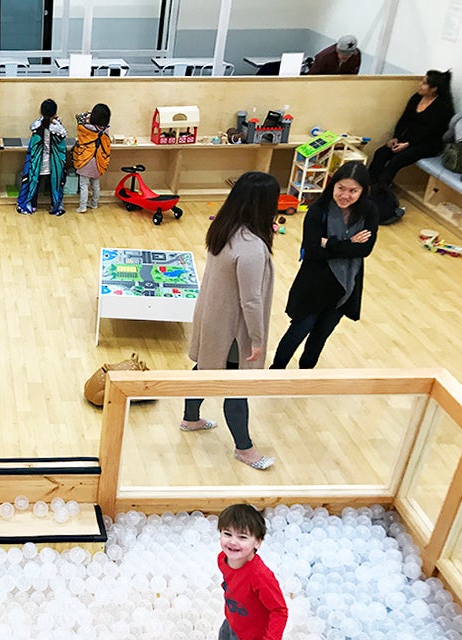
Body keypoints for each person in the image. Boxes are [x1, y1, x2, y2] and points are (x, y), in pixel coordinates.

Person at [180, 171, 278, 471]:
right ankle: (244, 449)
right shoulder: (251, 247)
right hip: (234, 329)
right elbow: (251, 300)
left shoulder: (223, 229)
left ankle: (190, 418)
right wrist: (258, 339)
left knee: (205, 368)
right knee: (237, 385)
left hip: (212, 316)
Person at [270, 162, 377, 370]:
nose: (345, 195)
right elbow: (312, 250)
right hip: (314, 284)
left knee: (321, 335)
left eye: (353, 191)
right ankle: (276, 370)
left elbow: (365, 250)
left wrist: (329, 242)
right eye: (341, 188)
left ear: (363, 191)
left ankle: (306, 374)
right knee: (299, 330)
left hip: (345, 287)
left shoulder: (369, 211)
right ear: (333, 185)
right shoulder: (318, 210)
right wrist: (349, 244)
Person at [368, 69, 455, 188]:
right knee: (381, 153)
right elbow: (404, 119)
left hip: (428, 143)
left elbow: (431, 132)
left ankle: (380, 191)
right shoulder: (416, 98)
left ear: (434, 89)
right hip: (409, 138)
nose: (420, 85)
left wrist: (408, 144)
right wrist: (396, 137)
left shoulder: (443, 107)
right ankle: (369, 184)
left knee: (396, 161)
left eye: (424, 83)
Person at [217, 504, 288, 640]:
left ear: (257, 542)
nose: (232, 541)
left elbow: (279, 610)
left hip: (252, 635)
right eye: (227, 534)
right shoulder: (222, 559)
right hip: (232, 622)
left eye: (242, 537)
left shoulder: (259, 576)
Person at [16, 99, 68, 216]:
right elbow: (62, 147)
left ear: (41, 111)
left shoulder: (36, 126)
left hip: (37, 164)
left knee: (34, 183)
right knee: (53, 185)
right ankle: (55, 206)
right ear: (55, 113)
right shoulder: (58, 129)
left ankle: (31, 205)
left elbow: (33, 148)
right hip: (53, 165)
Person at [72, 103, 112, 214]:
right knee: (96, 184)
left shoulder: (84, 128)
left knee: (84, 184)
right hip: (99, 160)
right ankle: (94, 203)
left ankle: (82, 206)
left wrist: (88, 114)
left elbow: (78, 116)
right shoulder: (105, 130)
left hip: (86, 159)